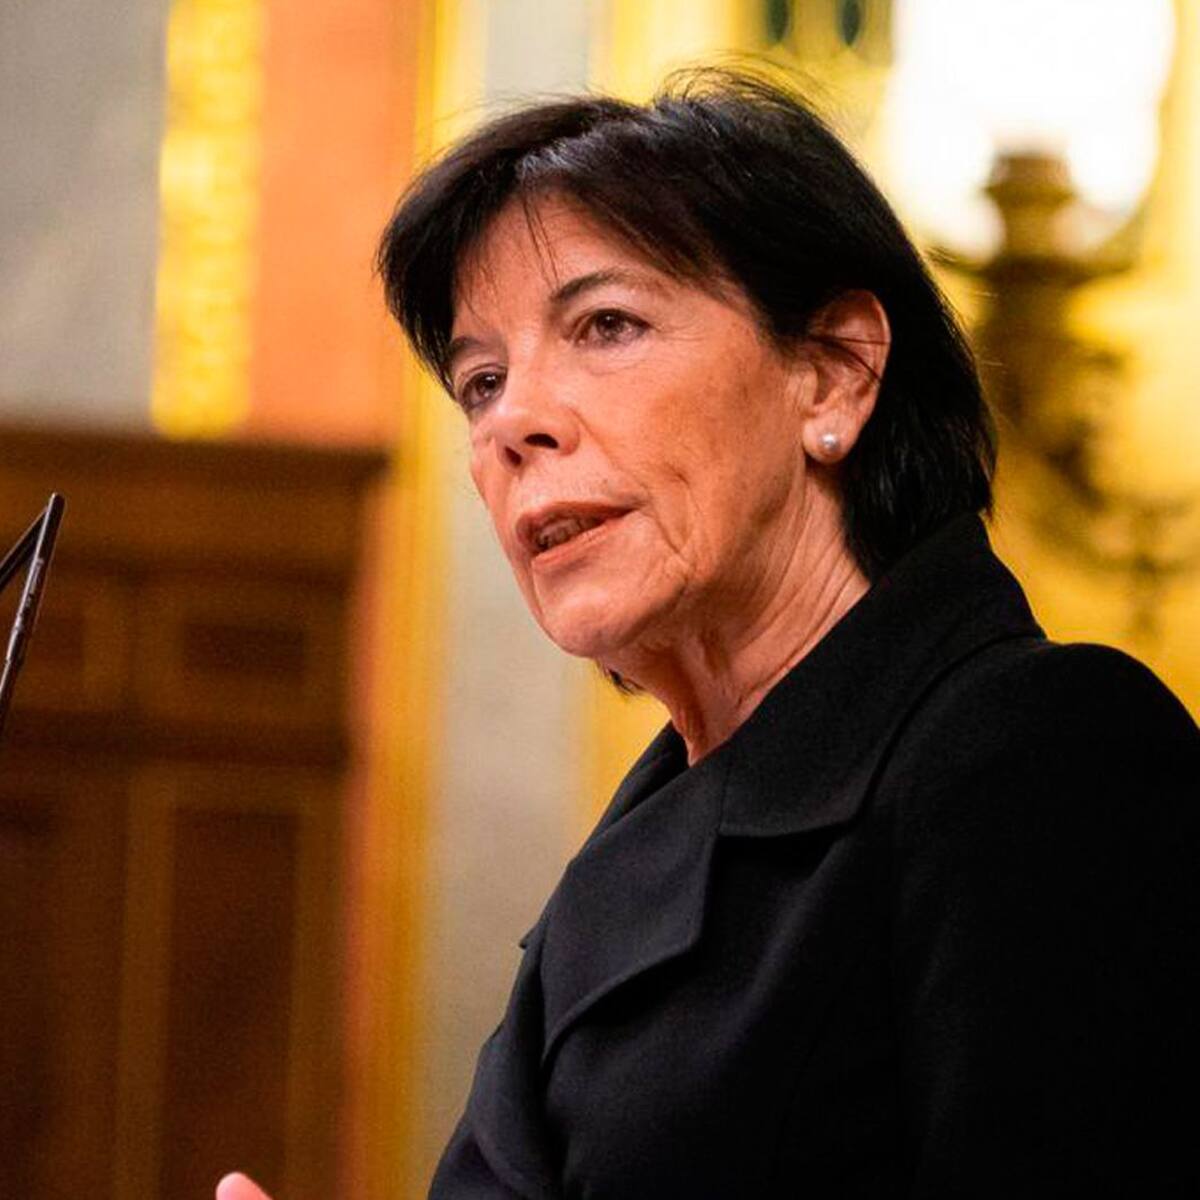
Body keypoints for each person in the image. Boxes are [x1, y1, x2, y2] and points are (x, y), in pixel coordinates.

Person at [220, 70, 1199, 1199]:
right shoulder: (629, 858)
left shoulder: (1040, 754)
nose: (514, 421)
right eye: (481, 381)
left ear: (833, 374)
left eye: (607, 325)